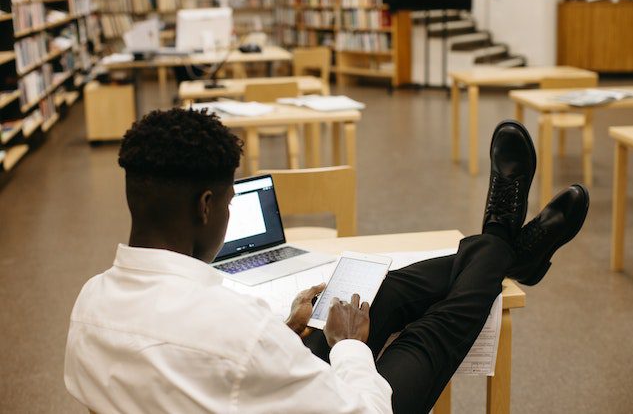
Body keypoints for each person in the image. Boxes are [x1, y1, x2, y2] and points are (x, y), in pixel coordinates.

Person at [64, 109, 589, 414]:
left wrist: (290, 330)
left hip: (251, 395)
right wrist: (350, 349)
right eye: (227, 202)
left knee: (382, 291)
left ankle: (506, 251)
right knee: (434, 334)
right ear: (206, 207)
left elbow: (207, 365)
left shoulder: (89, 305)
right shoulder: (235, 330)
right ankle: (502, 243)